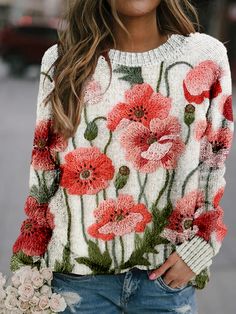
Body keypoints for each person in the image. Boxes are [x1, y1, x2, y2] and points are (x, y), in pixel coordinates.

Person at [10, 0, 234, 313]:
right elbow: (43, 173)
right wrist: (28, 268)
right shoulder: (62, 61)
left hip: (165, 284)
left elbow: (213, 162)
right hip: (74, 282)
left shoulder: (205, 57)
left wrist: (201, 248)